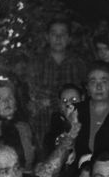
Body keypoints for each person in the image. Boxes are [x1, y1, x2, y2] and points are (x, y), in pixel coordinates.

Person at [23, 17, 88, 148]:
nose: (58, 38)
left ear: (69, 38)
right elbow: (33, 96)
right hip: (41, 126)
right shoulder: (36, 63)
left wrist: (48, 100)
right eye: (54, 34)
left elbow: (82, 97)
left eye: (63, 34)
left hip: (71, 127)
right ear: (47, 37)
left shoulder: (79, 64)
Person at [0, 78, 36, 170]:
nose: (6, 101)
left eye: (10, 97)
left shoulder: (24, 127)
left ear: (16, 103)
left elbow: (36, 158)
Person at [76, 62, 109, 159]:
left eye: (104, 82)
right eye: (93, 82)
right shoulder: (76, 111)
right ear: (87, 87)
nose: (99, 87)